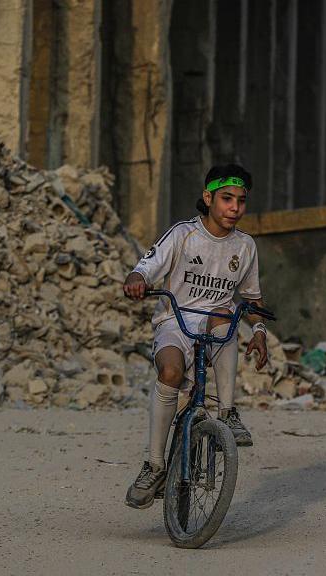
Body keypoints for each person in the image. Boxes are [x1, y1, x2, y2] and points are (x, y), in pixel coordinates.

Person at [122, 163, 269, 510]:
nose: (234, 207)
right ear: (209, 198)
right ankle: (154, 465)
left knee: (225, 313)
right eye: (226, 199)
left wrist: (260, 331)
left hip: (216, 326)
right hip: (176, 322)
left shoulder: (245, 246)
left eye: (241, 200)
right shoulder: (183, 234)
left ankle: (228, 413)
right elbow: (144, 266)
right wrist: (136, 279)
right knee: (170, 375)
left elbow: (252, 298)